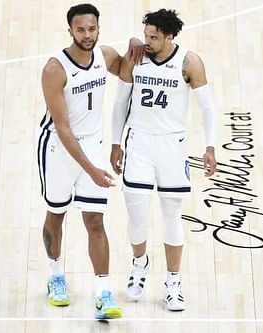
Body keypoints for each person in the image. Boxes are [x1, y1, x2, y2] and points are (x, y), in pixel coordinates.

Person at [37, 3, 143, 319]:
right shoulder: (55, 69)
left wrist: (133, 48)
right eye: (80, 29)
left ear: (99, 28)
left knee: (95, 221)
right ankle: (56, 275)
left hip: (92, 146)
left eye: (92, 29)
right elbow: (63, 127)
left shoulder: (104, 56)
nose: (87, 35)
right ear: (70, 30)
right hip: (58, 148)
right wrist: (92, 170)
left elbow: (125, 70)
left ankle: (103, 294)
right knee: (56, 215)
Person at [110, 9, 217, 311]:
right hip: (140, 143)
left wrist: (210, 146)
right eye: (145, 35)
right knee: (136, 216)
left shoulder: (189, 62)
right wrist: (116, 142)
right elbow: (120, 101)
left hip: (173, 145)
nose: (147, 41)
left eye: (153, 37)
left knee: (172, 217)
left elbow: (207, 107)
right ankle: (139, 264)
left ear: (170, 37)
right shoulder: (136, 57)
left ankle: (173, 282)